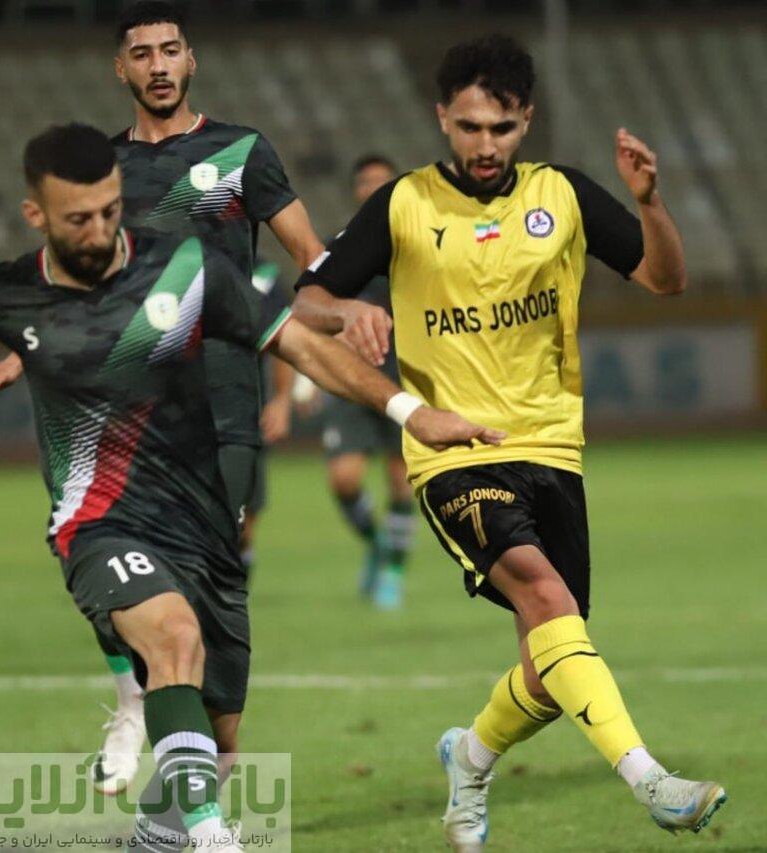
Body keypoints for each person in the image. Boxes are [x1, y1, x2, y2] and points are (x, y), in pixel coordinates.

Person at [0, 123, 501, 852]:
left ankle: (161, 836)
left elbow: (298, 343)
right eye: (79, 218)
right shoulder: (9, 293)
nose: (100, 230)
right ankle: (216, 839)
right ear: (36, 214)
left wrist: (411, 411)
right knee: (173, 638)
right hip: (99, 522)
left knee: (218, 747)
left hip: (204, 523)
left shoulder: (187, 268)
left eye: (110, 210)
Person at [294, 35, 726, 850]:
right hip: (454, 452)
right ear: (442, 119)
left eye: (500, 127)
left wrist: (650, 204)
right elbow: (306, 297)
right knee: (549, 599)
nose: (484, 144)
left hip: (553, 448)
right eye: (468, 127)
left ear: (526, 120)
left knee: (553, 667)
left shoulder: (564, 193)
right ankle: (652, 781)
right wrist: (344, 308)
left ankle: (470, 755)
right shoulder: (403, 203)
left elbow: (665, 279)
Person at [0, 1, 381, 795]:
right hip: (117, 408)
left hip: (223, 405)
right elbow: (68, 285)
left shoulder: (242, 153)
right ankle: (131, 695)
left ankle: (184, 802)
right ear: (120, 68)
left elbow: (311, 262)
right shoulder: (101, 170)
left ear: (192, 59)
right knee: (96, 539)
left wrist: (344, 306)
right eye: (142, 53)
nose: (158, 65)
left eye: (170, 49)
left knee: (209, 614)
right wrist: (21, 354)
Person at [311, 154, 415, 609]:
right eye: (365, 182)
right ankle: (376, 542)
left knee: (401, 478)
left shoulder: (419, 246)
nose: (373, 188)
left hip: (406, 376)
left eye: (382, 181)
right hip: (350, 377)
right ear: (355, 190)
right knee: (344, 478)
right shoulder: (339, 247)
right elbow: (312, 309)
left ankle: (394, 570)